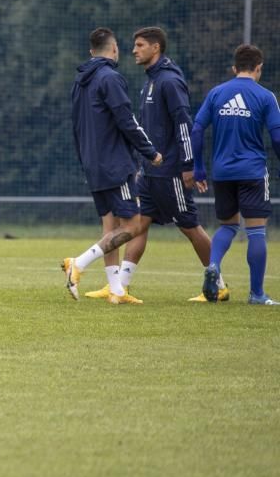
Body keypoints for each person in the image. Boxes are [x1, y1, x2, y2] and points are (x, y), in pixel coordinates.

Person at [84, 27, 228, 302]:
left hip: (171, 170)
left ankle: (218, 283)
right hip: (150, 171)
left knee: (189, 226)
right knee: (140, 223)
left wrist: (189, 164)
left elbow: (184, 124)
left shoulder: (169, 81)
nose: (134, 50)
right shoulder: (149, 81)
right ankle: (120, 286)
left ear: (155, 48)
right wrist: (143, 161)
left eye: (139, 45)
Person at [62, 27, 162, 304]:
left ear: (91, 51)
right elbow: (126, 120)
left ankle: (116, 290)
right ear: (114, 48)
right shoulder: (111, 78)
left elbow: (76, 126)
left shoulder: (79, 81)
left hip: (93, 164)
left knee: (110, 227)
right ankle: (78, 263)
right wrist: (150, 151)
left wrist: (84, 160)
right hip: (115, 164)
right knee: (133, 226)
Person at [190, 44, 280, 305]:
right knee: (256, 232)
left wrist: (198, 167)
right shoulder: (265, 96)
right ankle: (257, 294)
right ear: (259, 68)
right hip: (252, 171)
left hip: (222, 172)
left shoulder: (217, 93)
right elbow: (276, 136)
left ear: (234, 68)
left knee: (228, 226)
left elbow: (196, 130)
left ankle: (214, 265)